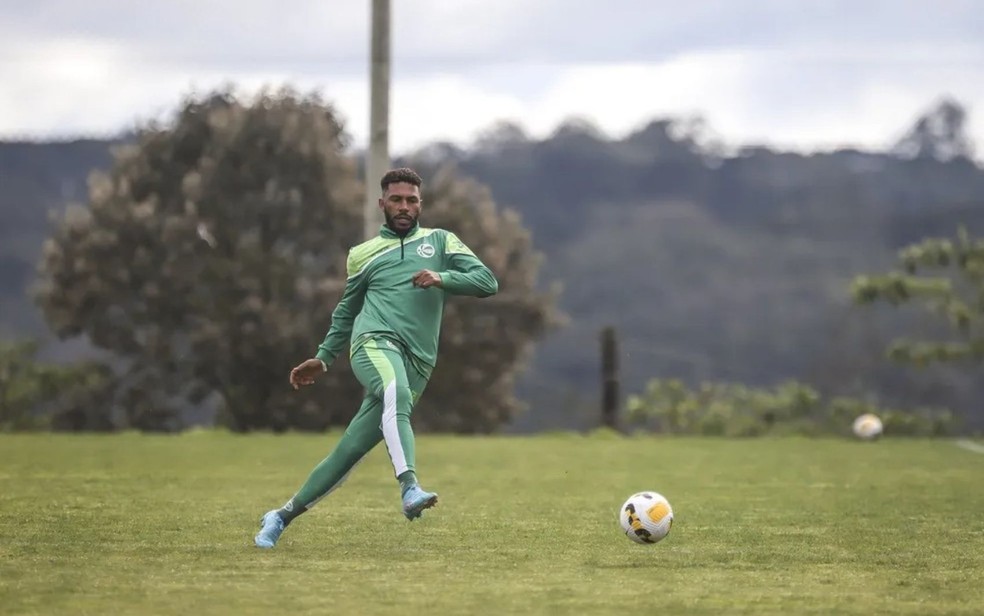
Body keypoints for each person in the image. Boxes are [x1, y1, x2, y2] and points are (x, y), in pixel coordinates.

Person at [254, 167, 499, 548]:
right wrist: (324, 356)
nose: (404, 206)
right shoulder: (363, 254)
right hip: (372, 343)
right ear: (382, 203)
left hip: (419, 362)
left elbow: (487, 282)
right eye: (397, 199)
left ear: (421, 204)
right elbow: (346, 310)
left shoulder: (441, 242)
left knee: (348, 451)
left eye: (412, 200)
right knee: (393, 388)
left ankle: (280, 516)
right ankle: (409, 487)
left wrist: (442, 278)